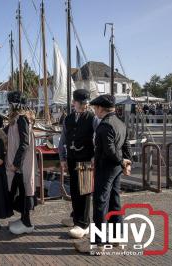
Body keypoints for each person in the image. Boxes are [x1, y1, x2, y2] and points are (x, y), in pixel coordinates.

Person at [75, 94, 132, 253]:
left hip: (106, 168)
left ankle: (98, 243)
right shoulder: (120, 123)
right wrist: (127, 163)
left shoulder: (105, 125)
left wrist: (122, 162)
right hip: (116, 169)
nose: (95, 111)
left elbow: (110, 151)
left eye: (95, 108)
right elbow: (126, 146)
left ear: (101, 108)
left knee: (100, 203)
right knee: (115, 201)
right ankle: (117, 237)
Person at [58, 89, 99, 239]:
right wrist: (62, 158)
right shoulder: (68, 118)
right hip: (72, 158)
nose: (83, 106)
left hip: (86, 158)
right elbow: (63, 140)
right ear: (74, 103)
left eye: (84, 104)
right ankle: (76, 217)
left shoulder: (92, 118)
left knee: (85, 191)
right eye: (80, 103)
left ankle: (83, 224)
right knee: (75, 190)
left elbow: (98, 138)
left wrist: (95, 155)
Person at [5, 91, 37, 235]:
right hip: (18, 164)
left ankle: (27, 222)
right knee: (21, 190)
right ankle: (23, 219)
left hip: (21, 165)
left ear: (15, 105)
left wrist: (16, 163)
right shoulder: (16, 119)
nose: (9, 106)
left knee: (24, 190)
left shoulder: (22, 120)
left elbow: (24, 143)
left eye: (10, 103)